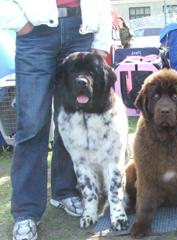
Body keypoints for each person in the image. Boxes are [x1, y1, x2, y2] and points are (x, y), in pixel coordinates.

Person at [0, 0, 112, 239]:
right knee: (32, 123)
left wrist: (101, 42)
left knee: (72, 120)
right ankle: (26, 212)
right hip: (35, 33)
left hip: (81, 31)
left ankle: (64, 191)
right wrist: (19, 22)